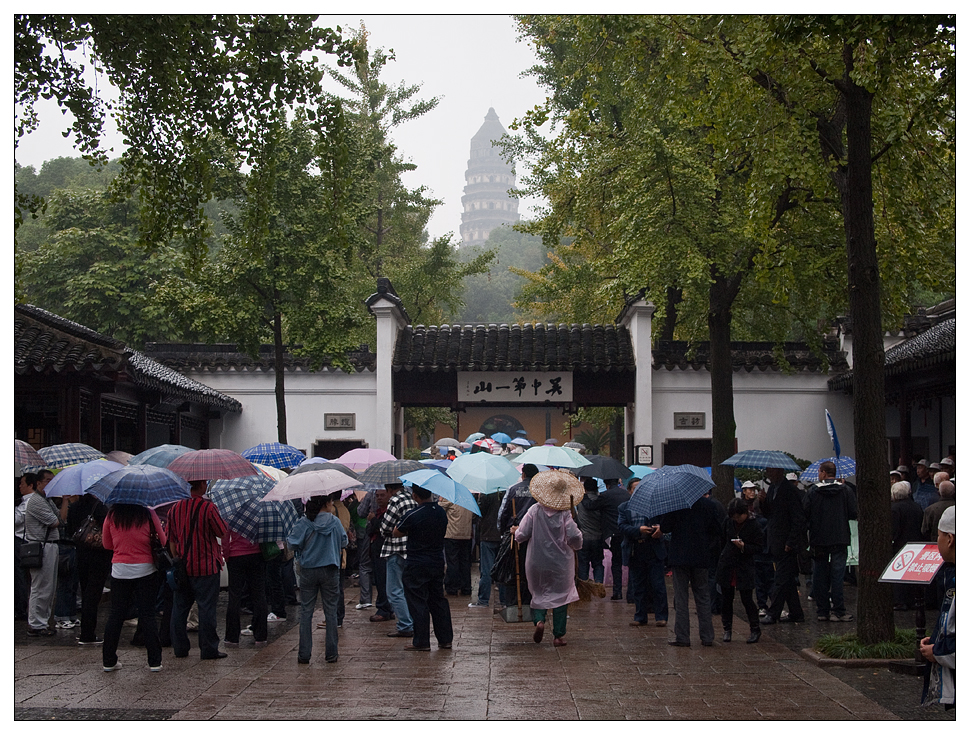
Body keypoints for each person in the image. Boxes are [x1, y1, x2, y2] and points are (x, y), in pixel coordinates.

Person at [514, 470, 584, 647]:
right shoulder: (565, 514)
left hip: (536, 560)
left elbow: (522, 534)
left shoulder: (534, 510)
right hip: (561, 563)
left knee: (539, 592)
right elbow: (574, 536)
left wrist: (515, 533)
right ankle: (558, 636)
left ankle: (539, 620)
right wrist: (576, 546)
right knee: (561, 595)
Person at [100, 502, 166, 672]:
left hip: (120, 570)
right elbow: (163, 540)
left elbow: (107, 544)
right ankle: (154, 661)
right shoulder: (148, 513)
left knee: (116, 615)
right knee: (147, 614)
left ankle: (109, 660)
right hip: (146, 569)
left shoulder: (112, 515)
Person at [167, 479, 228, 660]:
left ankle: (179, 647)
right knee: (206, 608)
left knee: (179, 609)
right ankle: (208, 648)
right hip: (206, 566)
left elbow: (171, 539)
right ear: (202, 485)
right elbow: (222, 531)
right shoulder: (209, 508)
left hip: (183, 567)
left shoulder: (174, 509)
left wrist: (177, 560)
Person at [288, 492, 348, 664]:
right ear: (327, 503)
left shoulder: (304, 522)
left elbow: (292, 543)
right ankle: (331, 654)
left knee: (306, 611)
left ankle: (304, 654)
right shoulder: (334, 521)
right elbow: (344, 542)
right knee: (331, 612)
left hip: (308, 571)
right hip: (330, 570)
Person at [393, 483, 453, 651]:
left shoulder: (414, 514)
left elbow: (397, 532)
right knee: (438, 599)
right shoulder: (441, 512)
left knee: (418, 601)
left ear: (415, 496)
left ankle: (421, 641)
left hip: (417, 562)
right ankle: (445, 638)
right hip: (436, 561)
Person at [658, 492, 723, 647]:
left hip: (680, 557)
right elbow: (716, 529)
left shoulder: (675, 505)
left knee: (681, 597)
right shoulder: (709, 505)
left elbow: (665, 527)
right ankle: (707, 636)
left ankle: (682, 636)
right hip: (701, 556)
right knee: (703, 596)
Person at [803, 461, 857, 623]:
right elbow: (853, 512)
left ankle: (822, 610)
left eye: (819, 472)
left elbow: (805, 513)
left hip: (819, 538)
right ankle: (838, 610)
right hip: (840, 537)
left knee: (819, 574)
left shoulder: (813, 492)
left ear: (824, 473)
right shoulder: (845, 491)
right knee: (838, 575)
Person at [758, 466, 807, 625]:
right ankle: (796, 612)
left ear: (779, 472)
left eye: (771, 472)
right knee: (788, 580)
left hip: (786, 543)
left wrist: (791, 542)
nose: (769, 475)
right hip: (775, 541)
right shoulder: (772, 489)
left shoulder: (790, 491)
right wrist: (763, 502)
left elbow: (798, 519)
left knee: (780, 578)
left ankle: (774, 613)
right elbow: (770, 514)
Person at [66, 492, 113, 645]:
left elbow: (69, 531)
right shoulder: (100, 507)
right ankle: (88, 633)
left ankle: (86, 632)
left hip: (81, 554)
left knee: (86, 592)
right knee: (93, 596)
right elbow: (109, 528)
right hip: (99, 556)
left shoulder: (74, 507)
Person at [716, 497, 766, 644]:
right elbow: (722, 539)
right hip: (728, 564)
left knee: (747, 599)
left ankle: (755, 628)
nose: (736, 519)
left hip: (744, 566)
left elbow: (759, 547)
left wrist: (744, 547)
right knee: (726, 599)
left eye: (739, 516)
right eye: (734, 517)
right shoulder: (728, 522)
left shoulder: (754, 525)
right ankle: (727, 629)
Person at [920, 505, 955, 710]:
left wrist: (939, 650)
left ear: (950, 539)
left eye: (939, 536)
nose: (937, 541)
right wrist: (934, 641)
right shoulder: (951, 572)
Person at [617, 487, 668, 627]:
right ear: (630, 491)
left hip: (653, 548)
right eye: (635, 488)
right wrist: (638, 530)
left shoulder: (655, 506)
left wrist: (659, 529)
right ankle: (640, 616)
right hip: (635, 549)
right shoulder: (624, 507)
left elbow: (665, 522)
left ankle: (661, 616)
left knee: (658, 585)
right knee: (638, 585)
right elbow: (621, 526)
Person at [23, 472, 61, 636]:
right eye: (47, 481)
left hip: (49, 546)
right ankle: (36, 624)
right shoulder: (36, 501)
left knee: (49, 587)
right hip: (41, 546)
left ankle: (42, 621)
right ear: (38, 483)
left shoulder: (47, 500)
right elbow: (55, 522)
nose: (50, 484)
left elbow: (60, 517)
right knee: (40, 587)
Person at [380, 481, 417, 639]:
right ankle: (412, 621)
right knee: (408, 589)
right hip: (411, 549)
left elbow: (385, 527)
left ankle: (405, 625)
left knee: (394, 590)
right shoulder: (412, 499)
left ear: (389, 489)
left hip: (395, 549)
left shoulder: (395, 501)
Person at [223, 527, 268, 649]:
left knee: (234, 596)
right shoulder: (259, 512)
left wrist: (227, 556)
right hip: (256, 554)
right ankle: (261, 636)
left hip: (236, 556)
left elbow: (225, 538)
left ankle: (232, 638)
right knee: (259, 595)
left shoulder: (231, 513)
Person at [890, 480, 924, 611]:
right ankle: (913, 599)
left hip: (900, 545)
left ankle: (900, 601)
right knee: (912, 574)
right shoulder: (916, 506)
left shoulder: (895, 509)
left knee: (899, 573)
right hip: (916, 543)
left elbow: (894, 529)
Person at [470, 488, 503, 609]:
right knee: (501, 570)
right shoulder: (505, 491)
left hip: (488, 534)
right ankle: (503, 600)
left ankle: (483, 600)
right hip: (501, 535)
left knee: (486, 570)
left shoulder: (486, 493)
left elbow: (479, 512)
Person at [366, 485, 395, 623]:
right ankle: (387, 608)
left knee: (384, 580)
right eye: (377, 495)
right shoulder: (377, 511)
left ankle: (384, 608)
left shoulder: (389, 512)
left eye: (382, 495)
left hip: (385, 550)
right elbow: (369, 530)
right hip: (376, 548)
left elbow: (383, 528)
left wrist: (373, 521)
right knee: (380, 580)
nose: (379, 498)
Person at [598, 478, 629, 600]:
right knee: (628, 562)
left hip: (613, 533)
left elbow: (591, 506)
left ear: (606, 484)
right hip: (626, 532)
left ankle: (618, 591)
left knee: (616, 563)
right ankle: (630, 593)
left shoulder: (605, 495)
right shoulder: (626, 494)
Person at [440, 497, 473, 596]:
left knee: (452, 562)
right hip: (466, 534)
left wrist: (440, 500)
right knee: (465, 562)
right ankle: (466, 587)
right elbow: (474, 514)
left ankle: (452, 587)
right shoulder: (469, 498)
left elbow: (440, 509)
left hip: (452, 534)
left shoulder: (450, 497)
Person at [575, 478, 605, 584]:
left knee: (583, 563)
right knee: (598, 563)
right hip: (598, 537)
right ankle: (599, 586)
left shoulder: (580, 501)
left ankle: (585, 589)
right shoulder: (601, 501)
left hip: (584, 537)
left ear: (584, 488)